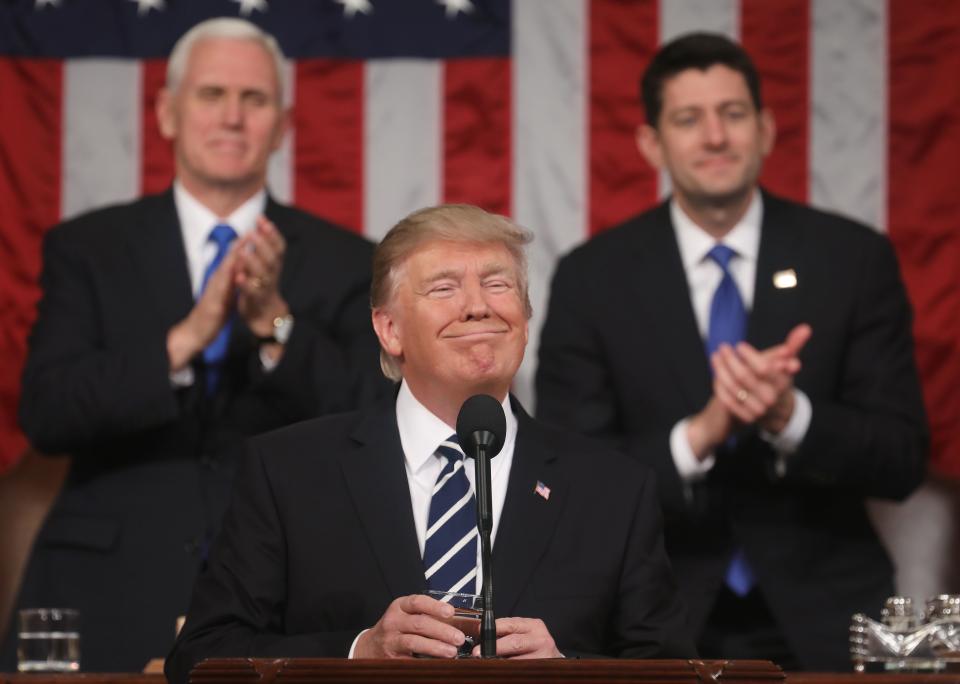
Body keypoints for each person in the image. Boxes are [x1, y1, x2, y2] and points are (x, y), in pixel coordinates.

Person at [163, 204, 694, 683]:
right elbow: (200, 658)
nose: (477, 307)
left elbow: (672, 672)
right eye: (444, 288)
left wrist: (567, 671)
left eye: (498, 284)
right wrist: (357, 653)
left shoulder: (613, 490)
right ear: (389, 330)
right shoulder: (288, 472)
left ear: (526, 323)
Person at [1, 18, 386, 673]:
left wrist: (275, 326)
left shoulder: (349, 260)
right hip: (108, 587)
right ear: (167, 112)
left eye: (254, 99)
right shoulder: (89, 248)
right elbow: (46, 412)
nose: (232, 117)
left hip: (285, 592)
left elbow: (372, 419)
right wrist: (184, 340)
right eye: (211, 95)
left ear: (284, 125)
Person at [535, 33, 928, 671]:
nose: (715, 137)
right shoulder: (592, 277)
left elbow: (903, 458)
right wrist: (702, 433)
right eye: (689, 119)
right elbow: (565, 481)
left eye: (734, 114)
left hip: (829, 616)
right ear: (651, 144)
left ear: (767, 129)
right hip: (651, 615)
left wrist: (789, 417)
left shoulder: (852, 259)